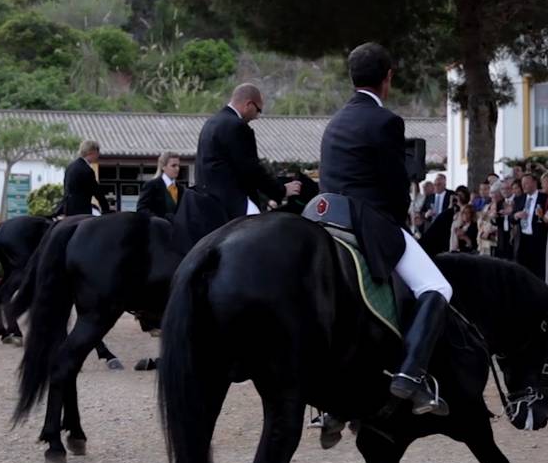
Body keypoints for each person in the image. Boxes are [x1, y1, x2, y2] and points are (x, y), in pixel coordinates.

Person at [320, 42, 452, 414]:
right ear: (387, 78)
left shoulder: (335, 120)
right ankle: (411, 375)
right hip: (367, 221)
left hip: (328, 218)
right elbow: (395, 189)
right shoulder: (386, 121)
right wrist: (401, 220)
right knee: (437, 286)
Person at [195, 83, 301, 220]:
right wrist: (281, 190)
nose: (257, 117)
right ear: (248, 104)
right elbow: (251, 170)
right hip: (233, 205)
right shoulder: (237, 126)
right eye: (258, 110)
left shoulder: (211, 123)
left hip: (208, 204)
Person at [514, 173, 548, 279]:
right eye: (522, 183)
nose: (524, 186)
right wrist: (516, 215)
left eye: (526, 183)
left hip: (538, 239)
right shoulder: (519, 199)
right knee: (523, 268)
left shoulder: (544, 198)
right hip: (523, 238)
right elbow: (512, 217)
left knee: (538, 268)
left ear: (534, 183)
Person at [62, 140, 110, 216]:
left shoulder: (70, 167)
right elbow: (96, 191)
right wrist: (106, 208)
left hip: (68, 209)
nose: (98, 156)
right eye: (97, 153)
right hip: (82, 210)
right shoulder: (87, 170)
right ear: (92, 152)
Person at [137, 152, 183, 221]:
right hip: (158, 229)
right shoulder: (152, 186)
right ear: (163, 167)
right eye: (173, 166)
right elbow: (141, 209)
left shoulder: (181, 189)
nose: (177, 169)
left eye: (178, 166)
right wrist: (159, 220)